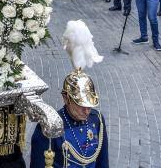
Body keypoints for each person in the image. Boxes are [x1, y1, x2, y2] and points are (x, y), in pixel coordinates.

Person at [30, 22, 109, 168]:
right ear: (66, 98)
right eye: (80, 105)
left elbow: (103, 162)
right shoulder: (50, 126)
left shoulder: (97, 119)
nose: (86, 111)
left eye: (89, 105)